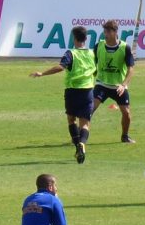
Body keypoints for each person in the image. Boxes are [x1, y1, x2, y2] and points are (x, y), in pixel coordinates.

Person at [30, 25, 96, 164]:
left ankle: (77, 143)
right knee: (85, 123)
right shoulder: (92, 53)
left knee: (71, 120)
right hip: (88, 91)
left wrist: (42, 73)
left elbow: (61, 67)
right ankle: (82, 144)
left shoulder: (71, 53)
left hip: (72, 91)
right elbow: (95, 71)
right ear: (85, 38)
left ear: (74, 38)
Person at [92, 19, 137, 144]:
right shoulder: (99, 46)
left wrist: (124, 85)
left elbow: (131, 69)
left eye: (108, 32)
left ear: (115, 32)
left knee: (126, 113)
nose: (105, 35)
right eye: (104, 32)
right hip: (102, 84)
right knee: (89, 109)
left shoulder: (125, 47)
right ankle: (80, 136)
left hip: (118, 87)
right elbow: (92, 65)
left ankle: (125, 136)